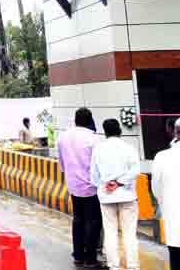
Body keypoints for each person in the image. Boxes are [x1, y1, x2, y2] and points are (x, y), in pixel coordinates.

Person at [90, 119, 140, 270]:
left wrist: (106, 185)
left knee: (110, 233)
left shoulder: (98, 149)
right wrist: (119, 183)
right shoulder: (128, 148)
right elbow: (135, 170)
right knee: (129, 234)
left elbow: (93, 176)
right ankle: (133, 266)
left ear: (105, 132)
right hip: (127, 196)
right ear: (119, 130)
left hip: (106, 196)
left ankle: (114, 266)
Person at [57, 108, 104, 268]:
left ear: (75, 119)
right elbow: (99, 164)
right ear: (90, 120)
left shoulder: (63, 136)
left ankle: (78, 254)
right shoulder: (94, 139)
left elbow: (61, 162)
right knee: (94, 222)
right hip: (91, 187)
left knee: (78, 220)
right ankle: (90, 258)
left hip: (73, 186)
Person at [153, 126, 180, 268]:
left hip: (174, 216)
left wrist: (164, 204)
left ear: (175, 132)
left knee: (176, 258)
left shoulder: (162, 156)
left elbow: (156, 188)